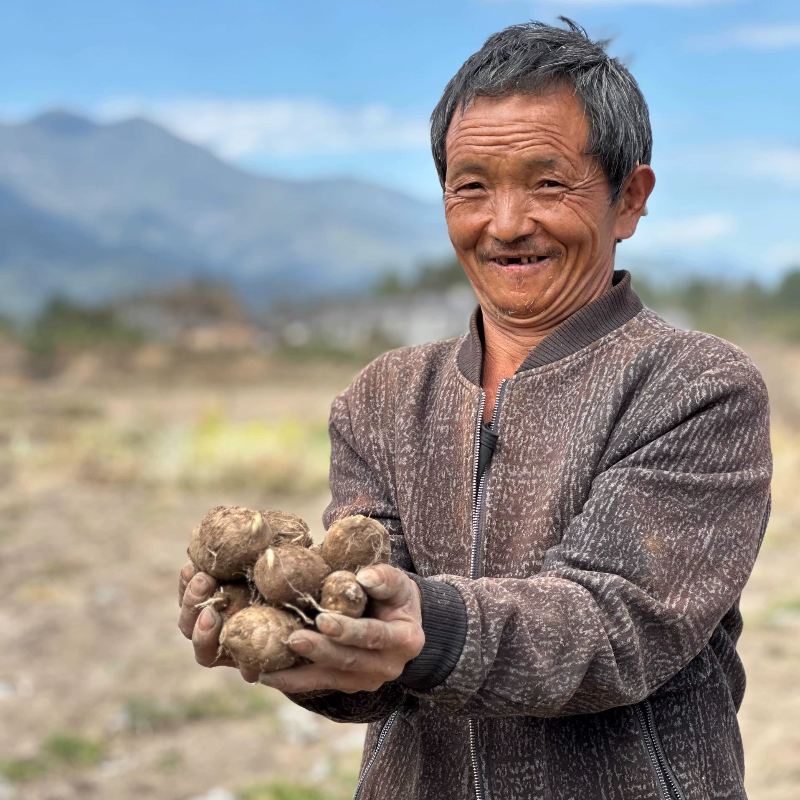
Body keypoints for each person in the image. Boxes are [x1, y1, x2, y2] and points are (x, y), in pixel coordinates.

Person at [178, 19, 772, 800]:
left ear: (629, 198)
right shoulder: (382, 398)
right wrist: (302, 643)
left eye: (548, 182)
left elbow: (613, 625)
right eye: (472, 187)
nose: (505, 223)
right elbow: (375, 648)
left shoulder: (697, 387)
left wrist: (430, 625)